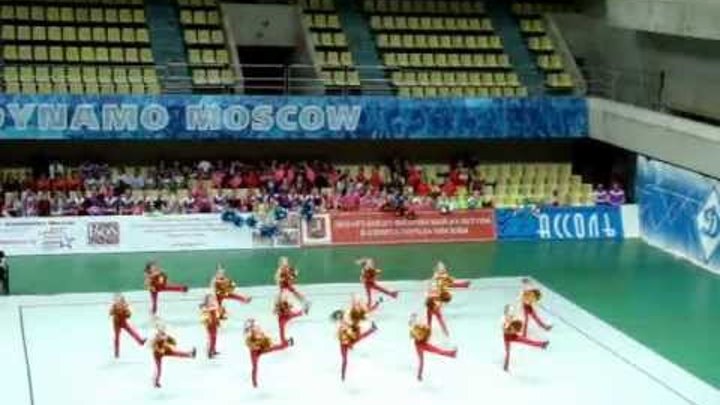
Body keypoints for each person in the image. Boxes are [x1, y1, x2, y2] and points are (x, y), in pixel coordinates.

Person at [331, 308, 378, 381]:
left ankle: (343, 376)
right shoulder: (343, 326)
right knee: (345, 360)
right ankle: (343, 376)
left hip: (347, 341)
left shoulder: (345, 325)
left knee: (345, 359)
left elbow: (349, 330)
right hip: (345, 342)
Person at [244, 319, 293, 388]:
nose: (257, 329)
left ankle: (287, 344)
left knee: (275, 347)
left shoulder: (260, 333)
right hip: (254, 352)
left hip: (261, 348)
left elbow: (267, 340)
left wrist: (268, 343)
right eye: (255, 328)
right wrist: (257, 345)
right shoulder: (249, 337)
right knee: (255, 367)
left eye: (257, 327)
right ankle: (254, 384)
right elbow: (250, 345)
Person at [409, 313, 457, 381]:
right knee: (423, 359)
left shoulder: (422, 331)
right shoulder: (418, 330)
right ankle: (451, 354)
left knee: (434, 352)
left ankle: (451, 354)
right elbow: (413, 330)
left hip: (421, 344)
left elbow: (420, 332)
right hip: (419, 345)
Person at [502, 304, 548, 372]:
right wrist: (511, 329)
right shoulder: (504, 320)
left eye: (511, 311)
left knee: (527, 341)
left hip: (514, 336)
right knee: (508, 352)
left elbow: (518, 327)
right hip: (507, 338)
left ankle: (541, 344)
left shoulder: (513, 318)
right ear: (506, 312)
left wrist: (516, 329)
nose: (511, 313)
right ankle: (505, 366)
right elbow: (505, 330)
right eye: (509, 311)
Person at [151, 322, 196, 388]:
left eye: (163, 328)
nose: (163, 330)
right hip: (157, 354)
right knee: (159, 369)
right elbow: (154, 346)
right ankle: (156, 382)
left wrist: (172, 342)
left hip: (165, 349)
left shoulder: (165, 335)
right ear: (158, 330)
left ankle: (190, 354)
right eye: (161, 329)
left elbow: (172, 341)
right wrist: (160, 350)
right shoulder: (156, 337)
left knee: (177, 353)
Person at [109, 293, 146, 358]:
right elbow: (110, 313)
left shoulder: (125, 306)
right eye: (116, 300)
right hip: (116, 323)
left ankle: (140, 341)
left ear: (122, 300)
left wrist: (126, 312)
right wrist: (114, 311)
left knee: (132, 331)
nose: (118, 301)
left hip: (123, 322)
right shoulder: (114, 306)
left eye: (119, 300)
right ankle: (116, 352)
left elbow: (129, 315)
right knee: (117, 337)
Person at [200, 294, 227, 359]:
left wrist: (221, 313)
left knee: (214, 337)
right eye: (211, 300)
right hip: (210, 324)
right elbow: (206, 315)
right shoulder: (206, 308)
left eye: (213, 299)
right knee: (211, 337)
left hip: (214, 323)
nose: (213, 301)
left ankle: (213, 350)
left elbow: (218, 314)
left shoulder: (213, 307)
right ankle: (210, 352)